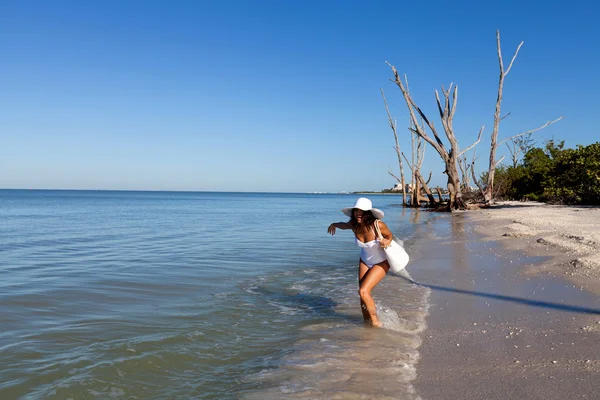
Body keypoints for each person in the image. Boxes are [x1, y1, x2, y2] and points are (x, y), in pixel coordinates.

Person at [327, 197, 394, 327]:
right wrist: (334, 224)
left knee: (363, 291)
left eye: (361, 211)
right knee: (362, 295)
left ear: (368, 213)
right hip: (364, 260)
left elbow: (390, 236)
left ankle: (376, 323)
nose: (358, 214)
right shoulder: (354, 225)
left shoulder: (378, 225)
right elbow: (344, 225)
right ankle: (366, 323)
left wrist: (387, 241)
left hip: (381, 262)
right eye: (356, 211)